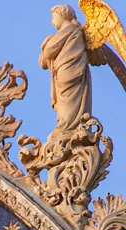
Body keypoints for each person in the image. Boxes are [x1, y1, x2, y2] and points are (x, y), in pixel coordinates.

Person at [39, 5, 92, 139]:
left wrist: (46, 43)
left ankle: (68, 127)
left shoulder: (71, 30)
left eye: (54, 17)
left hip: (71, 73)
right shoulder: (66, 32)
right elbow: (43, 62)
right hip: (63, 73)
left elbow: (49, 50)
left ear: (63, 15)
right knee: (66, 103)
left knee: (70, 101)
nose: (52, 21)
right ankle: (66, 125)